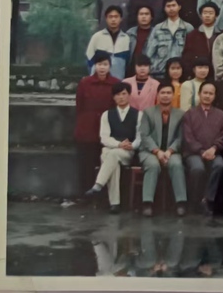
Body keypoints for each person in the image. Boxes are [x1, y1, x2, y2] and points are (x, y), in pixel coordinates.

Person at [84, 82, 142, 213]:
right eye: (118, 95)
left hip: (128, 152)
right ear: (114, 97)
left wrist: (131, 145)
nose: (121, 97)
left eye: (124, 94)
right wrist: (118, 144)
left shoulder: (138, 115)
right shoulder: (107, 115)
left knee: (111, 155)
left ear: (129, 95)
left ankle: (98, 185)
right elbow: (104, 137)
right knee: (111, 157)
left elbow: (140, 138)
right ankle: (115, 204)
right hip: (112, 149)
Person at [137, 82, 187, 217]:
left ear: (173, 95)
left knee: (176, 164)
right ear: (157, 95)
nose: (165, 96)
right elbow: (144, 135)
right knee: (153, 165)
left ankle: (181, 202)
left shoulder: (181, 114)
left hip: (172, 151)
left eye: (168, 93)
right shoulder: (148, 112)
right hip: (149, 151)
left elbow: (181, 137)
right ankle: (147, 202)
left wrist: (169, 151)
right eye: (163, 93)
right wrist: (157, 151)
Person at [74, 52, 119, 194]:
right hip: (87, 129)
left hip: (107, 129)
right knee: (86, 164)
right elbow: (79, 105)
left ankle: (103, 195)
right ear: (95, 66)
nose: (102, 68)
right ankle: (84, 194)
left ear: (110, 66)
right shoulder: (85, 83)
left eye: (105, 64)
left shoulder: (116, 83)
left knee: (105, 163)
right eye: (99, 64)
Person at [181, 82, 223, 215]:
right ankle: (194, 201)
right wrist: (201, 151)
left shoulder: (222, 115)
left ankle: (207, 199)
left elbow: (222, 136)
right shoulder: (189, 114)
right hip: (193, 153)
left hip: (213, 152)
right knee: (198, 168)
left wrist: (214, 149)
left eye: (211, 93)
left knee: (219, 165)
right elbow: (188, 137)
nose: (207, 96)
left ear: (215, 96)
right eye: (205, 93)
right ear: (199, 94)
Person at [145, 0, 194, 80]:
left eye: (173, 5)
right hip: (160, 72)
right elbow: (150, 52)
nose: (171, 8)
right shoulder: (158, 28)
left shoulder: (187, 28)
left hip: (181, 73)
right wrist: (152, 67)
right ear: (164, 8)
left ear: (179, 7)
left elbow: (191, 52)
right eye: (168, 6)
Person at [86, 6, 131, 79]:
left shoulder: (126, 39)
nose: (113, 19)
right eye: (110, 17)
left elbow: (128, 63)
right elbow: (89, 58)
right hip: (98, 81)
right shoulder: (97, 37)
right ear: (106, 19)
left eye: (116, 17)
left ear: (121, 19)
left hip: (118, 81)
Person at [181, 2, 220, 76]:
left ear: (216, 16)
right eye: (205, 13)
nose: (207, 15)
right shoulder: (192, 35)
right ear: (201, 15)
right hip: (197, 73)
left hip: (216, 74)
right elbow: (187, 56)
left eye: (211, 13)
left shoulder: (220, 35)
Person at [126, 5, 155, 78]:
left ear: (151, 17)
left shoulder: (157, 33)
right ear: (137, 17)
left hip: (150, 69)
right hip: (131, 68)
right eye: (141, 14)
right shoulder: (130, 33)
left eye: (146, 14)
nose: (144, 16)